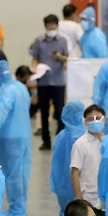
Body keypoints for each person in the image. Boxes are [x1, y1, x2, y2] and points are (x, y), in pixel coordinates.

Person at [0, 61, 32, 216]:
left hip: (9, 137)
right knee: (22, 172)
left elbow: (1, 113)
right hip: (24, 135)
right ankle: (20, 206)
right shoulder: (21, 87)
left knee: (13, 173)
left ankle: (17, 209)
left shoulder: (5, 91)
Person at [71, 105, 106, 216]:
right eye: (90, 119)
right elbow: (74, 172)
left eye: (98, 118)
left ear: (104, 119)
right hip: (89, 202)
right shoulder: (81, 144)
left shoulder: (107, 142)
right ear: (85, 122)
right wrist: (79, 200)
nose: (94, 121)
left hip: (104, 202)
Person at [31, 15, 70, 151]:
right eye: (48, 26)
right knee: (44, 111)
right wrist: (34, 68)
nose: (51, 28)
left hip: (58, 81)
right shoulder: (39, 41)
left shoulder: (63, 41)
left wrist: (59, 57)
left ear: (57, 26)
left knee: (59, 112)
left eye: (53, 26)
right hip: (43, 81)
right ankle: (46, 140)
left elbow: (67, 59)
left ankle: (60, 139)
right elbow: (35, 58)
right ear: (45, 26)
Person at [51, 100, 87, 216]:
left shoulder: (60, 136)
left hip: (62, 182)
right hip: (81, 183)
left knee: (65, 213)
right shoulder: (84, 135)